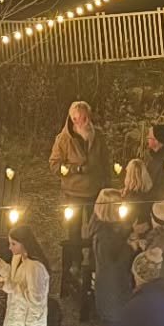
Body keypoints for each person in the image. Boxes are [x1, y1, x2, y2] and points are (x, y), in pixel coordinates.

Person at [50, 100, 109, 311]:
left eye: (83, 118)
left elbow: (105, 161)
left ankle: (94, 263)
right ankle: (74, 265)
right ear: (71, 119)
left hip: (95, 191)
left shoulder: (98, 135)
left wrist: (107, 188)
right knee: (73, 231)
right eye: (76, 119)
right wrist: (74, 170)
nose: (81, 122)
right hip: (73, 193)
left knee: (96, 227)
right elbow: (54, 165)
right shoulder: (63, 139)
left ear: (88, 116)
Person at [0, 224, 50, 326]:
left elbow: (36, 300)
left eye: (13, 244)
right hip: (20, 321)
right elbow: (16, 277)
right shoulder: (18, 258)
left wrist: (8, 287)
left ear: (24, 243)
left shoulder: (35, 267)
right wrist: (1, 266)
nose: (9, 247)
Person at [91, 188, 135, 326]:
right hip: (113, 292)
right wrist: (131, 247)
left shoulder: (103, 226)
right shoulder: (104, 235)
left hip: (110, 289)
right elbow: (114, 263)